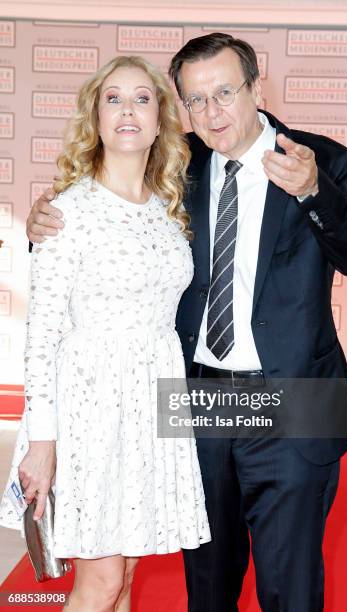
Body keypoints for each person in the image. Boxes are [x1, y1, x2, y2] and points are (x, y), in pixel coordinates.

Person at [25, 33, 347, 612]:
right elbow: (108, 220)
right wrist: (43, 224)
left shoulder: (323, 160)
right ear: (181, 106)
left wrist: (315, 191)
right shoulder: (177, 164)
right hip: (198, 398)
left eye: (224, 93)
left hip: (295, 396)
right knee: (207, 586)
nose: (211, 112)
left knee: (291, 588)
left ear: (256, 87)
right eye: (194, 100)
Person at [0, 55, 210, 612]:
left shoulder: (170, 214)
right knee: (99, 582)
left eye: (142, 98)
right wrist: (42, 442)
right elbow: (42, 337)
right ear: (94, 116)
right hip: (89, 410)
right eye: (112, 98)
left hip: (151, 407)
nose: (127, 110)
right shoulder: (68, 214)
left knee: (129, 573)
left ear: (160, 118)